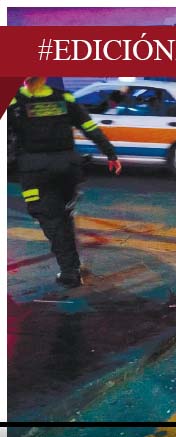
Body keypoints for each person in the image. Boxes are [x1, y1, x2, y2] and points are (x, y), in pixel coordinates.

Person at [8, 76, 122, 288]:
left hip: (35, 171)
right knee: (63, 216)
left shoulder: (14, 103)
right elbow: (89, 127)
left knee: (51, 220)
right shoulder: (64, 98)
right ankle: (72, 263)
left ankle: (70, 271)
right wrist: (110, 154)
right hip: (68, 169)